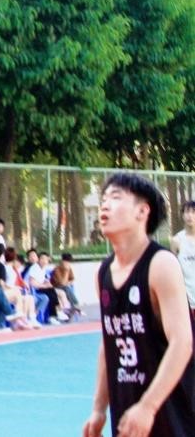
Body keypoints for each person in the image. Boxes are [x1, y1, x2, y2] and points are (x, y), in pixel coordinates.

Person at [83, 173, 195, 437]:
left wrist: (148, 406)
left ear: (142, 211)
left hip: (172, 410)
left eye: (116, 197)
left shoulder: (160, 264)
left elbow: (182, 342)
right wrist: (98, 409)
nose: (105, 205)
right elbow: (108, 342)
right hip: (128, 408)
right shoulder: (103, 273)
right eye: (104, 199)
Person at [169, 200, 195, 317]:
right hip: (186, 302)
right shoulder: (177, 241)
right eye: (187, 212)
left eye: (193, 212)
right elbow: (172, 272)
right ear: (183, 215)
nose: (190, 215)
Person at [53, 252, 84, 318]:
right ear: (62, 261)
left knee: (66, 287)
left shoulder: (69, 268)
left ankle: (74, 307)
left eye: (69, 262)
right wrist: (66, 271)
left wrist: (68, 282)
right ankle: (76, 305)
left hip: (65, 286)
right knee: (66, 288)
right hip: (57, 286)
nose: (68, 264)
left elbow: (72, 279)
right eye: (67, 262)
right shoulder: (57, 269)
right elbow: (61, 282)